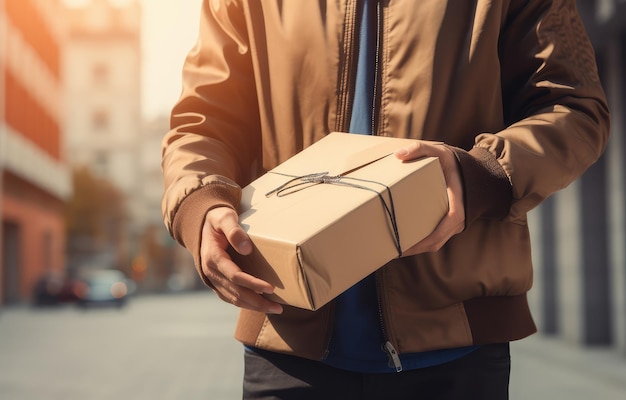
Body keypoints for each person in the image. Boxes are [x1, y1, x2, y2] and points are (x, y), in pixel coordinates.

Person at [162, 0, 610, 398]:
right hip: (287, 339)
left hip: (455, 346)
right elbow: (203, 125)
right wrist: (202, 206)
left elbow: (574, 109)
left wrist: (482, 173)